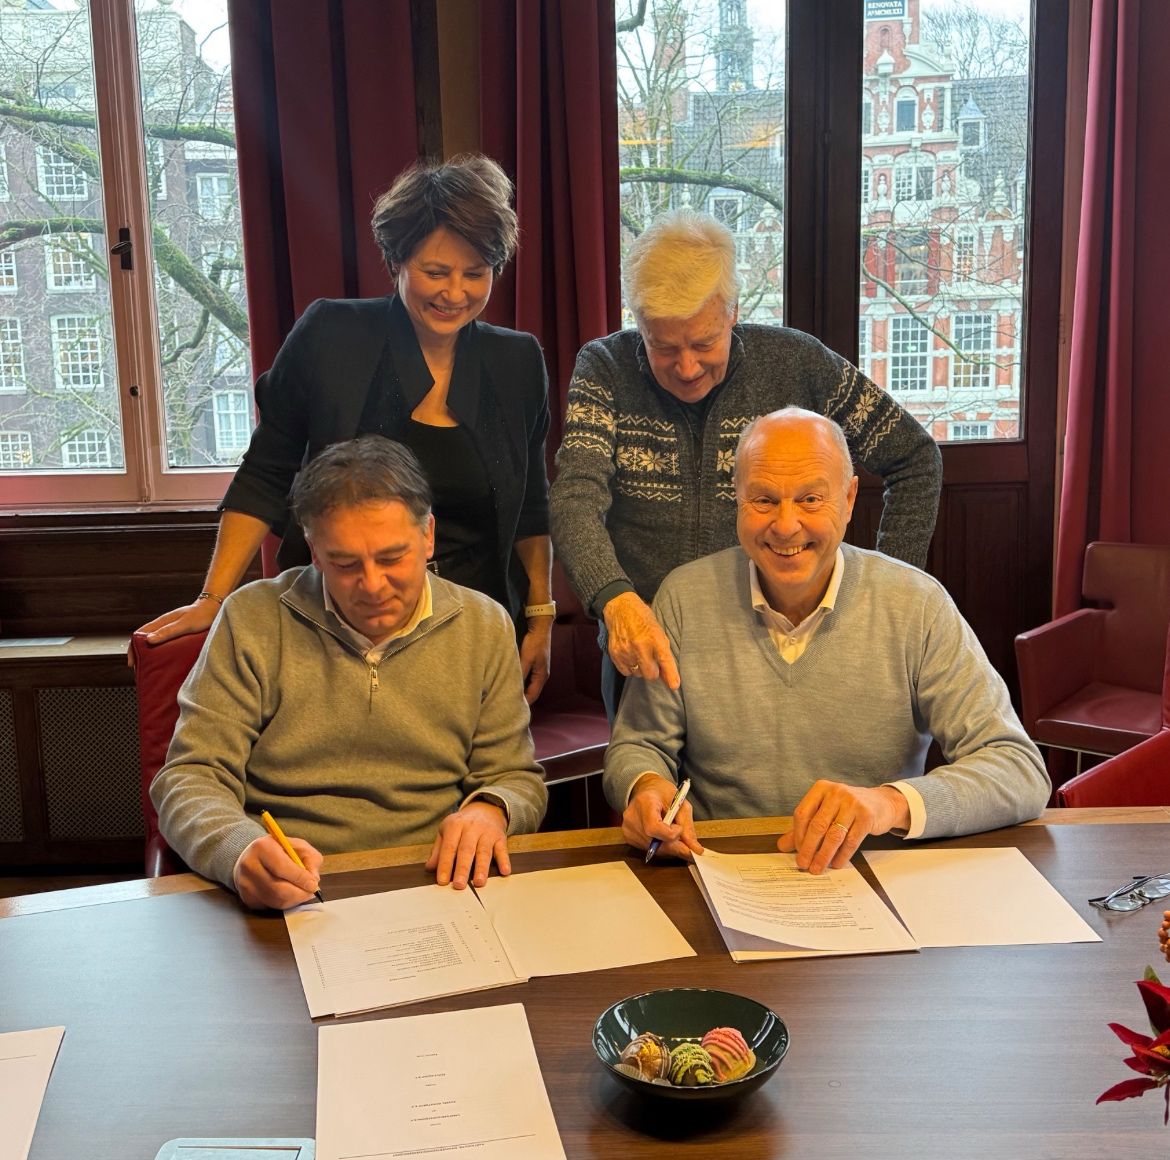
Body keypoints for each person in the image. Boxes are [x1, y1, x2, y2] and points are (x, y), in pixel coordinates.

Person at [138, 154, 556, 703]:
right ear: (396, 262)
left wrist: (541, 618)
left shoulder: (517, 361)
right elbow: (267, 472)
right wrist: (213, 599)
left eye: (475, 274)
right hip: (340, 625)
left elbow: (530, 504)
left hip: (473, 634)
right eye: (435, 272)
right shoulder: (332, 335)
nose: (455, 293)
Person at [604, 407, 1049, 874]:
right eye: (763, 500)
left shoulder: (916, 605)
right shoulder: (684, 598)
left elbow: (1017, 768)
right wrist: (646, 787)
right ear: (735, 498)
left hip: (874, 870)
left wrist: (886, 804)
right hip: (722, 871)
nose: (786, 524)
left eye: (811, 499)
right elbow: (638, 745)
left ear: (850, 497)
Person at [549, 208, 943, 718]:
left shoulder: (796, 361)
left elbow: (915, 458)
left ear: (732, 310)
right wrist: (614, 599)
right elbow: (574, 497)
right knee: (646, 783)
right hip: (646, 642)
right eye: (663, 347)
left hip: (774, 642)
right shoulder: (604, 367)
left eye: (704, 343)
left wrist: (888, 592)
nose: (686, 368)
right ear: (638, 324)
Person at [150, 436, 548, 910]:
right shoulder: (252, 619)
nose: (373, 586)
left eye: (391, 558)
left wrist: (491, 809)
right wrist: (240, 851)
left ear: (429, 537)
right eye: (344, 564)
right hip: (293, 888)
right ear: (314, 553)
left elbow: (515, 777)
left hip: (437, 884)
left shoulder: (483, 624)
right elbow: (190, 777)